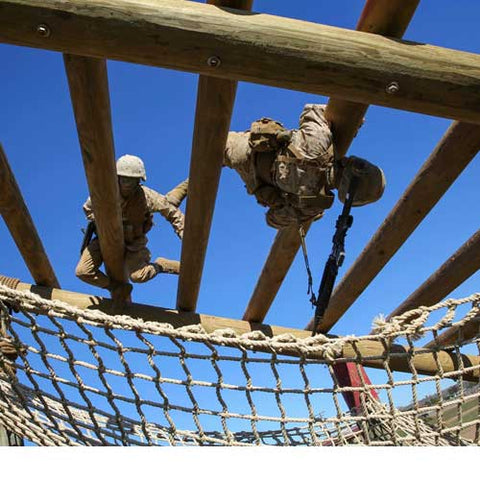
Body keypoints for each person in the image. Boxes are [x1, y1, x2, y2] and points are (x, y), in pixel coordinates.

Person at [223, 104, 385, 229]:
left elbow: (312, 110)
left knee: (211, 141)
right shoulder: (314, 204)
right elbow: (273, 220)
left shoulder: (319, 144)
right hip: (255, 179)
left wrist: (348, 122)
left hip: (246, 150)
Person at [75, 154, 188, 298]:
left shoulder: (146, 196)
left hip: (132, 242)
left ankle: (161, 265)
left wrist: (184, 233)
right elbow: (88, 209)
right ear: (117, 178)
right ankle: (117, 288)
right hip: (105, 239)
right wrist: (107, 223)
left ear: (138, 181)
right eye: (124, 178)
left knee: (138, 276)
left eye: (132, 179)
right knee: (83, 271)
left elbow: (171, 211)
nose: (127, 183)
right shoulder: (104, 192)